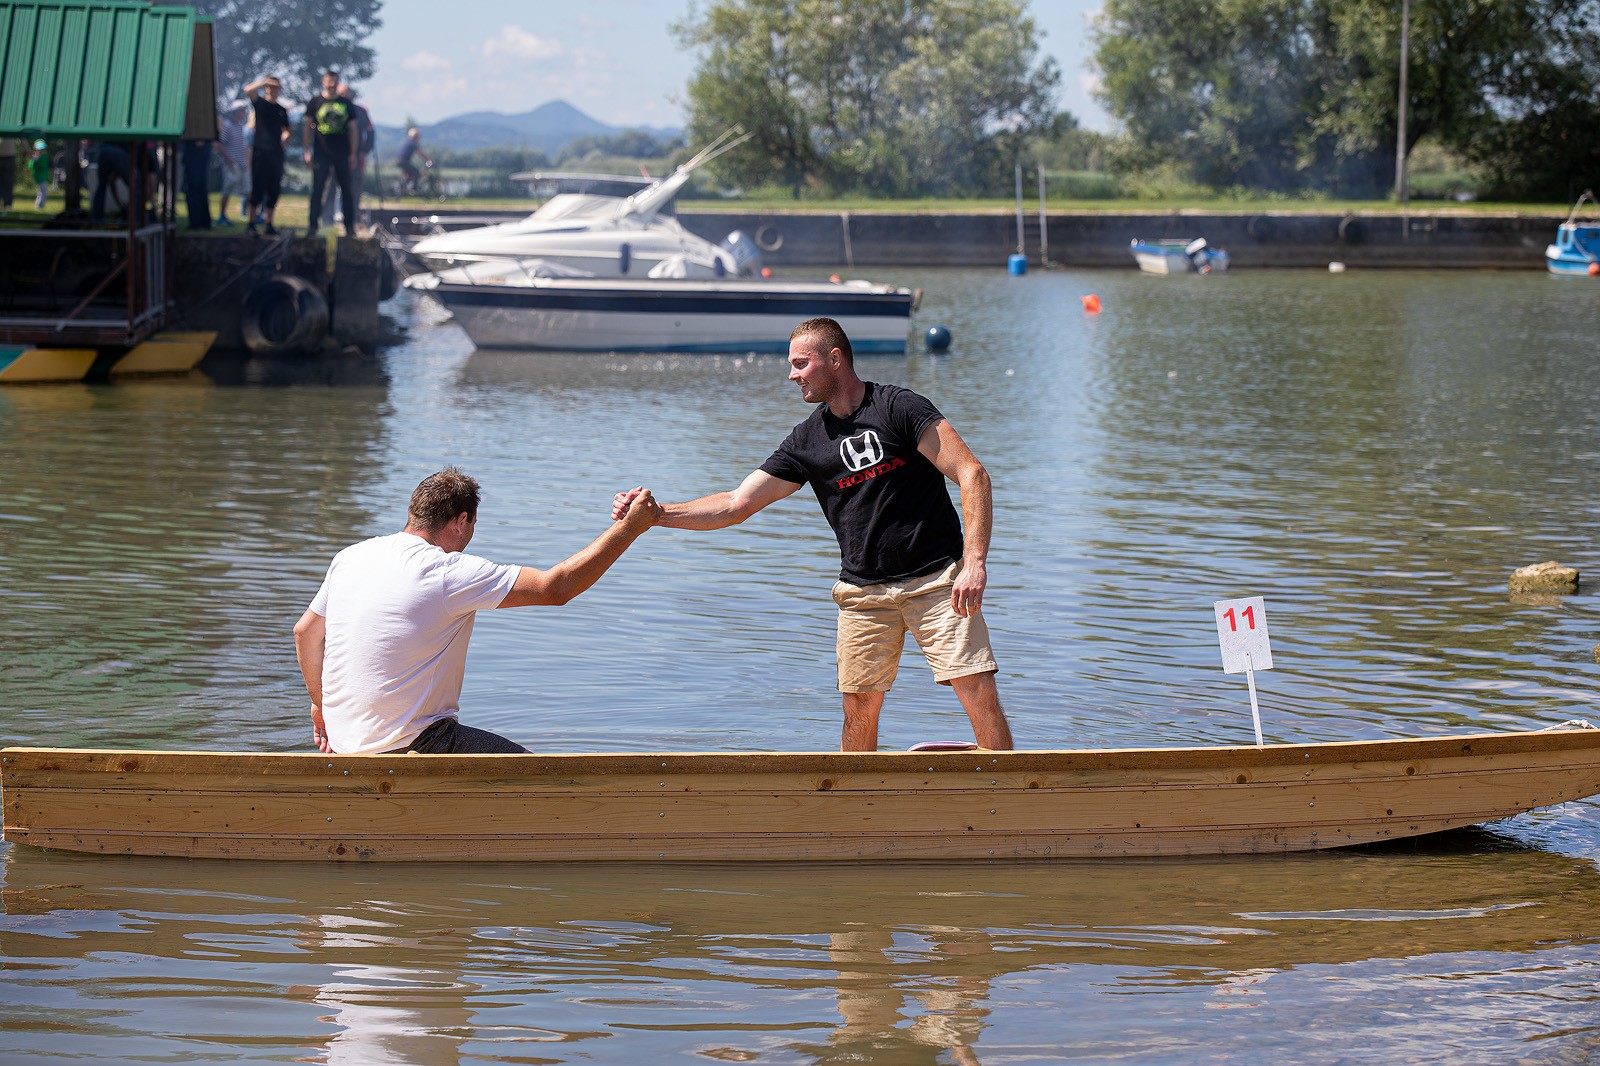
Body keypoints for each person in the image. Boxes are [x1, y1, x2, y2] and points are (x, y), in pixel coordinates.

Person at [614, 317, 1014, 753]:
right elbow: (736, 504)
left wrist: (974, 562)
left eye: (801, 363)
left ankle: (1010, 800)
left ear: (835, 359)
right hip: (863, 593)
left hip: (939, 581)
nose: (792, 374)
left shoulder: (899, 408)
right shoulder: (807, 441)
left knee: (975, 688)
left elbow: (972, 474)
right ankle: (856, 810)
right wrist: (657, 514)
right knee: (858, 705)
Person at [294, 467, 662, 755]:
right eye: (472, 525)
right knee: (548, 780)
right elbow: (556, 588)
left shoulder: (351, 557)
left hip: (343, 745)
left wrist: (319, 706)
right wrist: (630, 528)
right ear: (461, 520)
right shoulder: (446, 571)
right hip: (418, 745)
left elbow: (306, 633)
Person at [302, 69, 358, 238]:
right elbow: (306, 127)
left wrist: (353, 154)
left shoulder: (346, 104)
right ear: (323, 82)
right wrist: (306, 151)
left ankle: (349, 227)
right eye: (329, 81)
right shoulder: (315, 102)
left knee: (347, 191)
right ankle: (313, 226)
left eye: (335, 81)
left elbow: (353, 130)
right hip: (321, 153)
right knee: (317, 189)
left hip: (342, 153)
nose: (332, 84)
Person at [317, 83, 372, 229]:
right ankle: (327, 220)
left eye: (346, 94)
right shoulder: (328, 109)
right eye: (341, 93)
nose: (343, 96)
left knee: (353, 190)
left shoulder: (360, 111)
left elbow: (370, 132)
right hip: (333, 156)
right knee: (329, 188)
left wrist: (363, 150)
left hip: (354, 158)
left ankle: (352, 219)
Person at [243, 75, 290, 235]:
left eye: (276, 87)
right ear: (266, 88)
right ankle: (251, 223)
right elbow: (248, 90)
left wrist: (286, 137)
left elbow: (286, 130)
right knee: (257, 188)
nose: (274, 90)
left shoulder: (282, 110)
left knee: (273, 190)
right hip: (260, 152)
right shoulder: (260, 104)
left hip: (276, 154)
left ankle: (269, 223)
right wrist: (264, 81)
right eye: (271, 87)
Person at [216, 99, 251, 225]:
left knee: (247, 189)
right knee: (227, 190)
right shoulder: (227, 126)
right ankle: (222, 216)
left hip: (242, 164)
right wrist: (229, 160)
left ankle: (252, 215)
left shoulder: (242, 127)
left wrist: (246, 162)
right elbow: (219, 144)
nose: (244, 113)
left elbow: (245, 146)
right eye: (242, 110)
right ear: (235, 112)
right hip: (231, 165)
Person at [396, 127, 432, 197]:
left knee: (410, 174)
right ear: (415, 136)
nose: (418, 138)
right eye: (417, 136)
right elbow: (420, 153)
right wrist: (428, 159)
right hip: (403, 161)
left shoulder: (408, 142)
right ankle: (413, 190)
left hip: (400, 160)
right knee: (416, 172)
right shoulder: (412, 143)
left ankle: (404, 186)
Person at [29, 140, 50, 209]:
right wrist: (34, 160)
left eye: (43, 149)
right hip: (40, 177)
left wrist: (35, 159)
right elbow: (31, 166)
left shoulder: (43, 156)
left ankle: (40, 205)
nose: (42, 150)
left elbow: (43, 166)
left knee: (42, 192)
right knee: (42, 192)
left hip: (43, 177)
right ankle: (39, 205)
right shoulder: (36, 157)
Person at [0, 137, 16, 210]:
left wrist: (27, 150)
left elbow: (21, 136)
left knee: (8, 182)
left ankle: (8, 204)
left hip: (10, 156)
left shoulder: (14, 125)